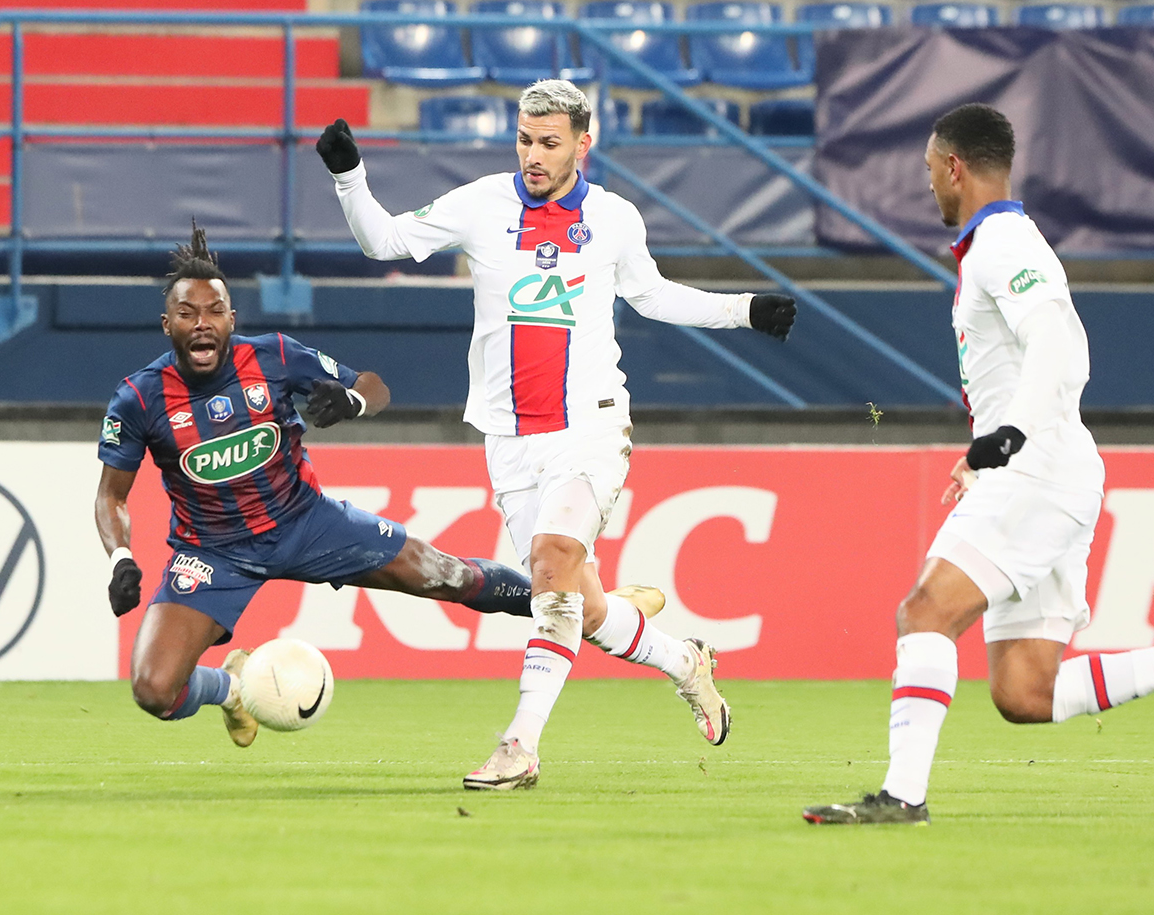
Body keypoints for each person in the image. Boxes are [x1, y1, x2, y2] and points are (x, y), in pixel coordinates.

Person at [316, 79, 798, 790]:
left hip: (591, 426)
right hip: (509, 440)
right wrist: (348, 176)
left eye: (549, 142)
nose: (534, 155)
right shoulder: (482, 202)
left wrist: (744, 310)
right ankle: (686, 662)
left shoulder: (613, 218)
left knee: (551, 560)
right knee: (580, 604)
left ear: (583, 141)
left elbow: (654, 294)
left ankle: (520, 746)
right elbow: (382, 238)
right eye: (524, 140)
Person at [804, 103, 1154, 825]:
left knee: (925, 611)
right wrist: (990, 450)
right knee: (1025, 692)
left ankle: (902, 796)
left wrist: (1009, 437)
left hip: (1039, 467)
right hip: (1043, 467)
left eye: (932, 171)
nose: (930, 184)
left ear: (955, 167)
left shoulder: (1002, 242)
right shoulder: (997, 245)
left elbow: (1060, 343)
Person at [95, 223, 540, 748]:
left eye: (214, 312)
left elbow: (374, 388)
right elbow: (111, 496)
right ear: (166, 323)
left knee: (447, 576)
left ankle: (564, 605)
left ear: (232, 320)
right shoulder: (139, 398)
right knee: (153, 689)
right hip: (212, 552)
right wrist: (120, 557)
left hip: (308, 523)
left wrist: (351, 401)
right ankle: (233, 690)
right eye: (187, 314)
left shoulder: (273, 357)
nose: (202, 324)